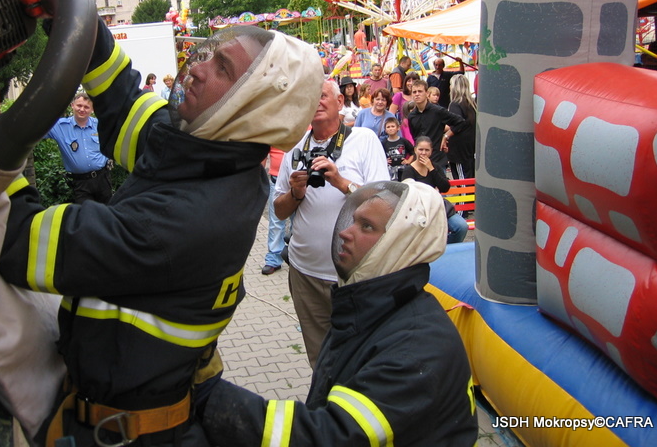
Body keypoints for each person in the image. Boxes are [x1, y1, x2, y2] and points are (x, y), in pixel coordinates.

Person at [0, 24, 325, 446]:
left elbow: (18, 240)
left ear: (254, 106)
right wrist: (81, 26)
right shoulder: (207, 147)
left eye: (223, 68)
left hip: (127, 435)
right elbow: (124, 105)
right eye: (210, 55)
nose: (198, 68)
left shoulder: (191, 218)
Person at [199, 181, 478, 446]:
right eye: (353, 220)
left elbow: (330, 436)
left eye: (366, 226)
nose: (346, 232)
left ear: (403, 243)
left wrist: (207, 397)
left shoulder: (416, 348)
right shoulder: (373, 308)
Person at [274, 80, 389, 367]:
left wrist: (341, 182)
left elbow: (384, 205)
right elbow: (278, 211)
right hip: (305, 273)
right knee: (321, 358)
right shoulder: (295, 147)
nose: (316, 102)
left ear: (340, 102)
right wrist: (295, 193)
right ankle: (324, 395)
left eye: (322, 95)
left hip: (354, 275)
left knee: (359, 356)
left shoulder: (363, 140)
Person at [45, 93, 112, 204]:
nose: (82, 109)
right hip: (81, 183)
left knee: (107, 211)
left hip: (102, 179)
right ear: (72, 105)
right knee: (86, 213)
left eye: (86, 107)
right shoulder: (60, 127)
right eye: (79, 105)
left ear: (92, 109)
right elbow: (35, 133)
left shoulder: (100, 125)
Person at [401, 136, 469, 244]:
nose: (423, 153)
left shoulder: (435, 167)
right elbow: (409, 195)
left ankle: (446, 247)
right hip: (419, 210)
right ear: (415, 150)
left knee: (461, 226)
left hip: (438, 206)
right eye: (420, 149)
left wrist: (431, 169)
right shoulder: (409, 170)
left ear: (431, 151)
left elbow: (445, 187)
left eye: (427, 150)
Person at [408, 79, 467, 170]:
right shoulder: (411, 116)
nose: (417, 94)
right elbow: (415, 137)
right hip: (420, 161)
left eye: (420, 91)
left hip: (437, 160)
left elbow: (460, 122)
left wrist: (446, 136)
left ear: (427, 93)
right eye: (414, 92)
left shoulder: (438, 111)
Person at [262, 147, 290, 275]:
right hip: (276, 181)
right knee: (276, 222)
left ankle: (295, 258)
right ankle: (273, 259)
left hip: (300, 181)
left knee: (299, 222)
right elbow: (263, 152)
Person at [447, 75, 477, 179]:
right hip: (470, 149)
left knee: (462, 179)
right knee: (469, 177)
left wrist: (446, 136)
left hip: (459, 151)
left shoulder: (455, 104)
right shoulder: (472, 104)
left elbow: (458, 123)